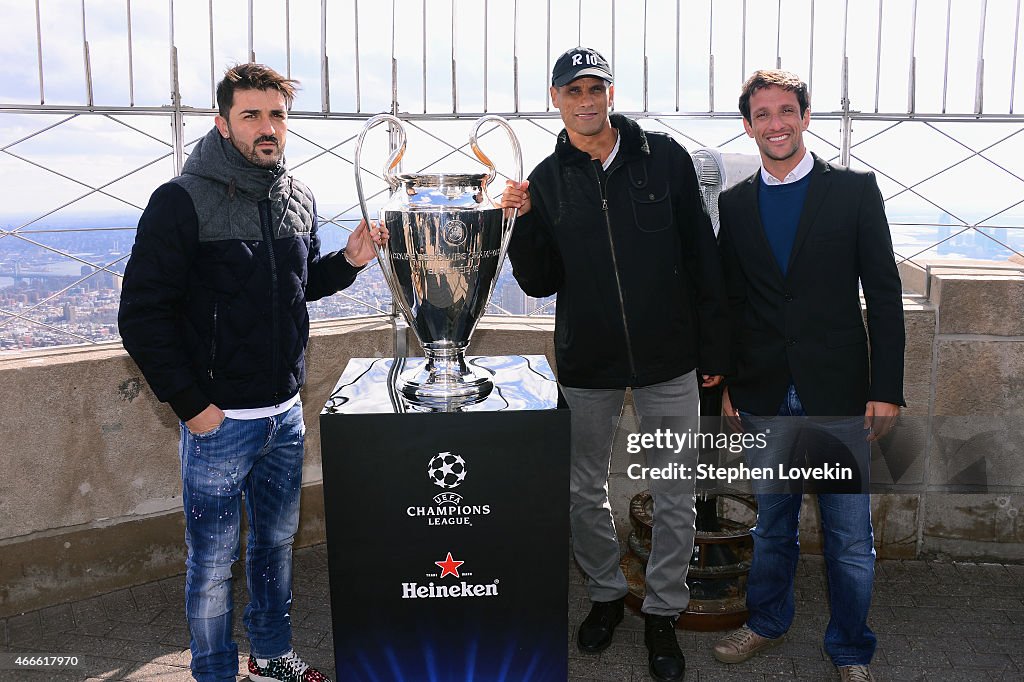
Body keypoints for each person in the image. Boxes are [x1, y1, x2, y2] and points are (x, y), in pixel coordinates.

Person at [118, 63, 385, 682]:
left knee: (273, 549)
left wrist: (346, 262)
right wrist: (193, 407)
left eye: (278, 115)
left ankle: (270, 655)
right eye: (252, 115)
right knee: (211, 566)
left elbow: (295, 288)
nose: (268, 128)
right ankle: (213, 672)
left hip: (283, 417)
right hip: (218, 423)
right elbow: (141, 316)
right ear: (222, 122)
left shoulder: (297, 197)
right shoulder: (180, 201)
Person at [501, 46, 729, 682]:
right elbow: (540, 280)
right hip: (588, 363)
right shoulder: (547, 179)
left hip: (669, 358)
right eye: (573, 90)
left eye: (595, 88)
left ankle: (662, 611)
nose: (586, 100)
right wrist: (522, 221)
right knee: (582, 490)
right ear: (556, 99)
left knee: (675, 490)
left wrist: (714, 349)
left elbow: (702, 255)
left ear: (610, 94)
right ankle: (605, 594)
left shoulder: (665, 158)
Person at [712, 69, 905, 682]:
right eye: (762, 113)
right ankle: (767, 622)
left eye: (786, 110)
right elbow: (734, 302)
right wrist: (733, 386)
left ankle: (851, 649)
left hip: (839, 394)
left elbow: (884, 292)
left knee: (850, 541)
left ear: (805, 116)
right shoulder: (735, 204)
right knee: (772, 527)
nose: (775, 123)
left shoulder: (853, 191)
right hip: (766, 392)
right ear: (748, 125)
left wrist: (886, 388)